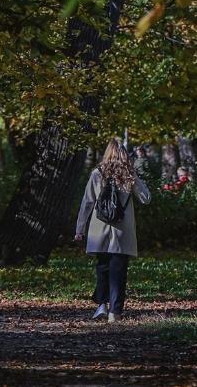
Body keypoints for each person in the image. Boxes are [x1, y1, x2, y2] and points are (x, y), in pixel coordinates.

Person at [74, 138, 151, 322]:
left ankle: (102, 305)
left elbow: (87, 202)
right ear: (124, 155)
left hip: (99, 230)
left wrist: (80, 229)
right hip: (122, 232)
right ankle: (114, 313)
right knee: (119, 271)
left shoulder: (97, 173)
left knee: (102, 267)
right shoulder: (128, 175)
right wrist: (134, 176)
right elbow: (146, 198)